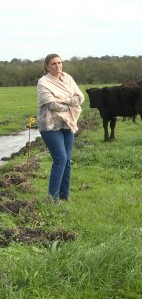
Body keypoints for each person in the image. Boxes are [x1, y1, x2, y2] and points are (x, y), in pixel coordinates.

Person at [37, 53, 85, 202]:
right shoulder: (43, 82)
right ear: (47, 66)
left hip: (68, 123)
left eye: (59, 63)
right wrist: (70, 102)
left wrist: (63, 99)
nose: (57, 66)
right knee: (60, 158)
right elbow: (52, 105)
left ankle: (65, 196)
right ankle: (53, 198)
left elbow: (80, 98)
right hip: (50, 125)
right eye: (53, 64)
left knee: (68, 160)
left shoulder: (67, 78)